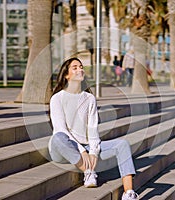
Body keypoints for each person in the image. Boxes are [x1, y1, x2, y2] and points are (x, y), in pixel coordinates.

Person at [48, 57, 139, 200]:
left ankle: (129, 193)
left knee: (123, 144)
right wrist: (83, 151)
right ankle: (89, 172)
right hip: (63, 149)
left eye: (81, 67)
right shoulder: (57, 98)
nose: (80, 69)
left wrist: (94, 152)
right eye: (75, 67)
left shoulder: (89, 98)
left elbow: (93, 130)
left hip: (88, 147)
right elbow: (61, 129)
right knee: (58, 137)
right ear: (66, 75)